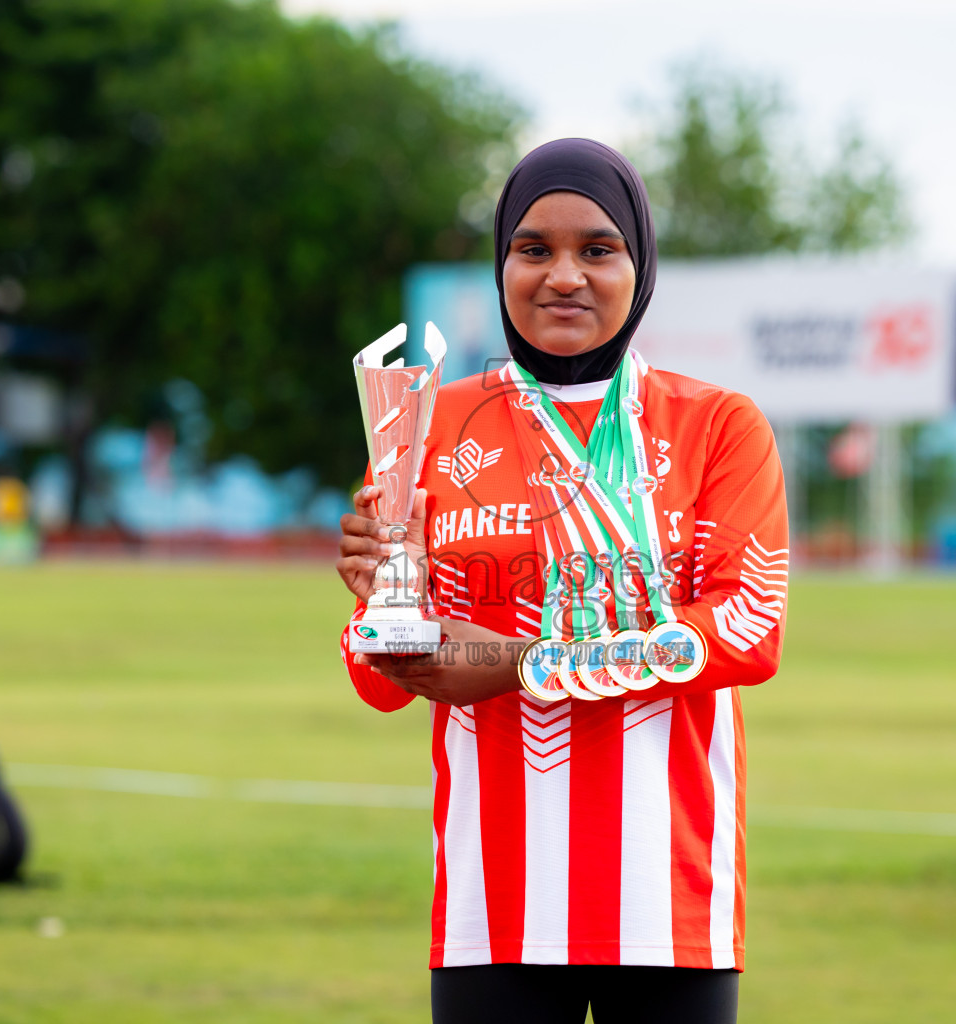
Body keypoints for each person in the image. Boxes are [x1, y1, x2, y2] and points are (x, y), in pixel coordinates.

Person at [336, 139, 788, 1024]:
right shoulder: (428, 423)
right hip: (490, 904)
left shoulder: (717, 427)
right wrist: (379, 594)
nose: (564, 276)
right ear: (501, 263)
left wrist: (521, 663)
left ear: (640, 265)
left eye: (598, 248)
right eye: (533, 248)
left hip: (667, 900)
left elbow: (746, 627)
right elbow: (373, 673)